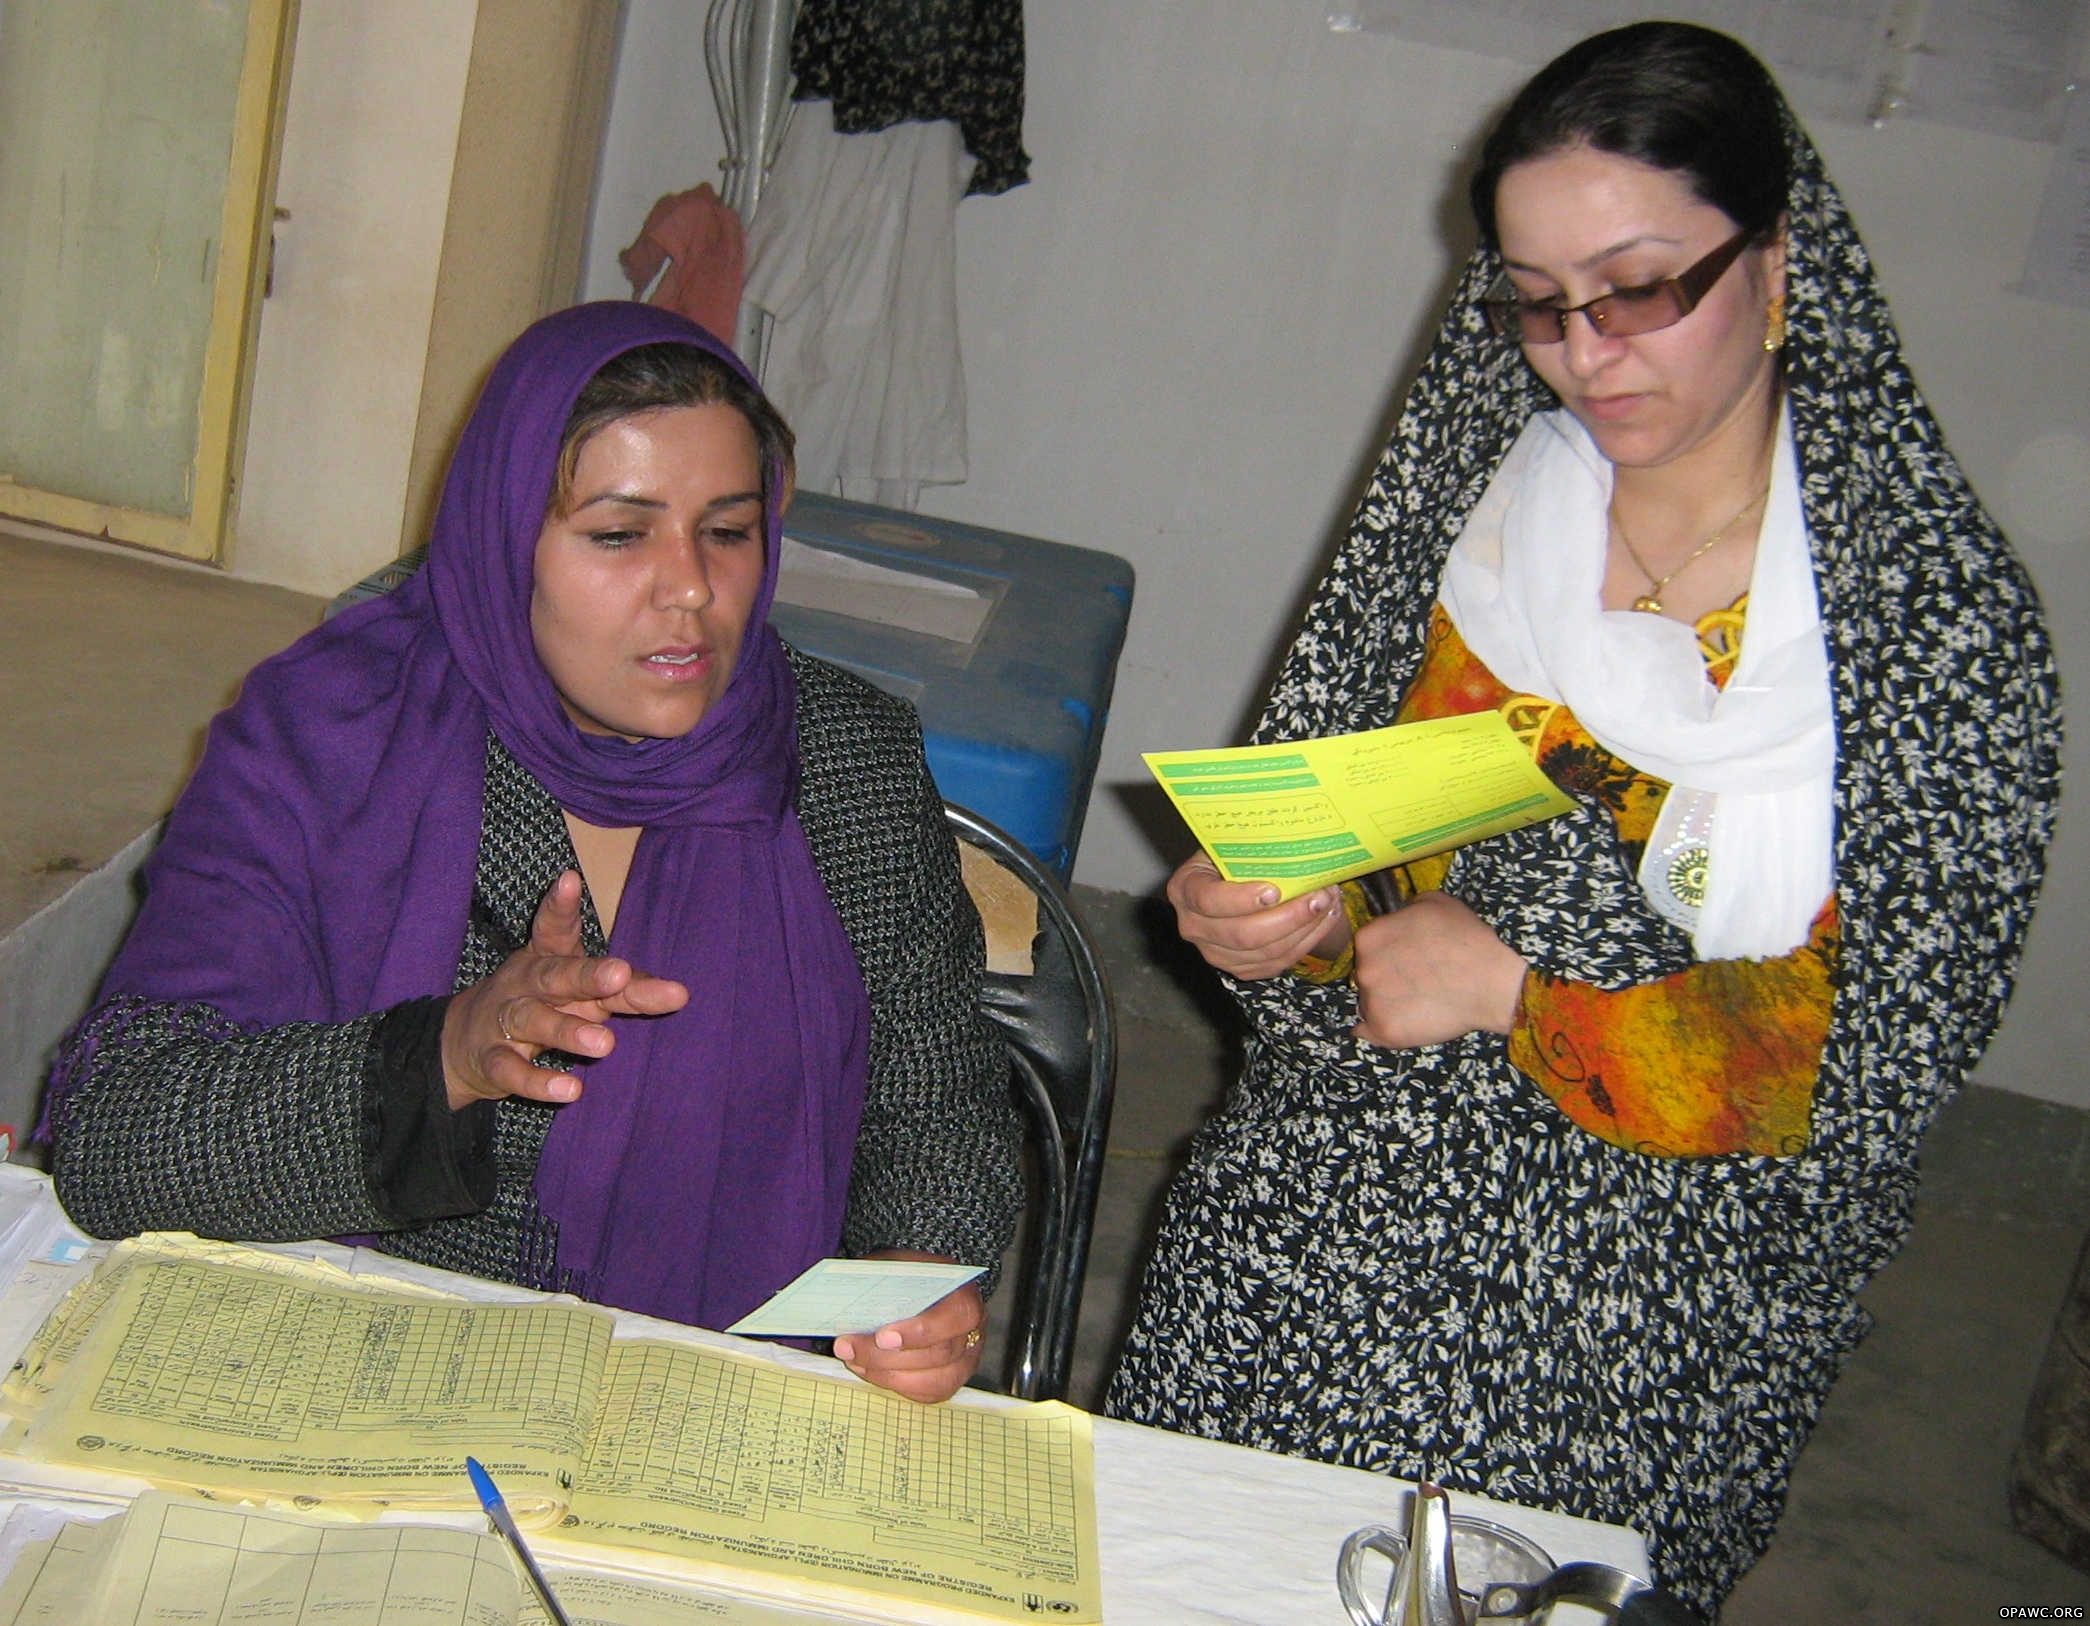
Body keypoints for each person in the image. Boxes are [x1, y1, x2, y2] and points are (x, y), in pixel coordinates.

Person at [1106, 21, 2060, 1612]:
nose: (1583, 352)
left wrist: (1518, 997)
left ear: (1775, 264)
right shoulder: (1478, 515)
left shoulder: (1927, 626)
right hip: (1337, 1179)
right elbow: (1341, 844)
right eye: (1536, 304)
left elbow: (1877, 1060)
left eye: (1637, 288)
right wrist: (1285, 915)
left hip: (1656, 1282)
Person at [46, 302, 1023, 1405]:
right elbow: (116, 1134)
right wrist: (445, 1057)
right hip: (352, 1370)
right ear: (504, 540)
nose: (690, 587)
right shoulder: (327, 742)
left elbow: (936, 1106)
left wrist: (917, 1277)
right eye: (618, 535)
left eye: (727, 531)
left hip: (704, 1402)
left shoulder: (844, 764)